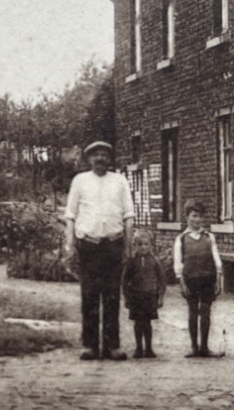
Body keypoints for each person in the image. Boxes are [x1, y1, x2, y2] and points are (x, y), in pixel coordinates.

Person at [65, 140, 134, 361]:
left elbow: (128, 216)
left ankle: (112, 346)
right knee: (90, 296)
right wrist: (70, 245)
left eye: (104, 155)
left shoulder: (119, 181)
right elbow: (70, 216)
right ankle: (90, 345)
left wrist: (128, 246)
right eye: (96, 155)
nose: (100, 159)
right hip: (89, 247)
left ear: (110, 159)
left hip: (113, 245)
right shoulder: (80, 181)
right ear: (89, 159)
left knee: (113, 297)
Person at [173, 201, 223, 358]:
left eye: (200, 216)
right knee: (193, 312)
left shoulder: (209, 237)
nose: (197, 219)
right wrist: (181, 282)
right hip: (190, 280)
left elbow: (217, 260)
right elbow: (178, 262)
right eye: (194, 215)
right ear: (187, 216)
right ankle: (194, 347)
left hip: (208, 278)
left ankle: (204, 347)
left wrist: (219, 279)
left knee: (206, 312)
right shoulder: (181, 239)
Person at [122, 230, 168, 358]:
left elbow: (162, 279)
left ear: (151, 246)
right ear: (135, 245)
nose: (143, 247)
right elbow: (125, 279)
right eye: (140, 244)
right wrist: (126, 296)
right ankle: (138, 348)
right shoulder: (131, 261)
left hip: (149, 295)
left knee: (147, 323)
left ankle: (148, 349)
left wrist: (160, 296)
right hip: (136, 296)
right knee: (137, 323)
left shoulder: (154, 261)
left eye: (146, 244)